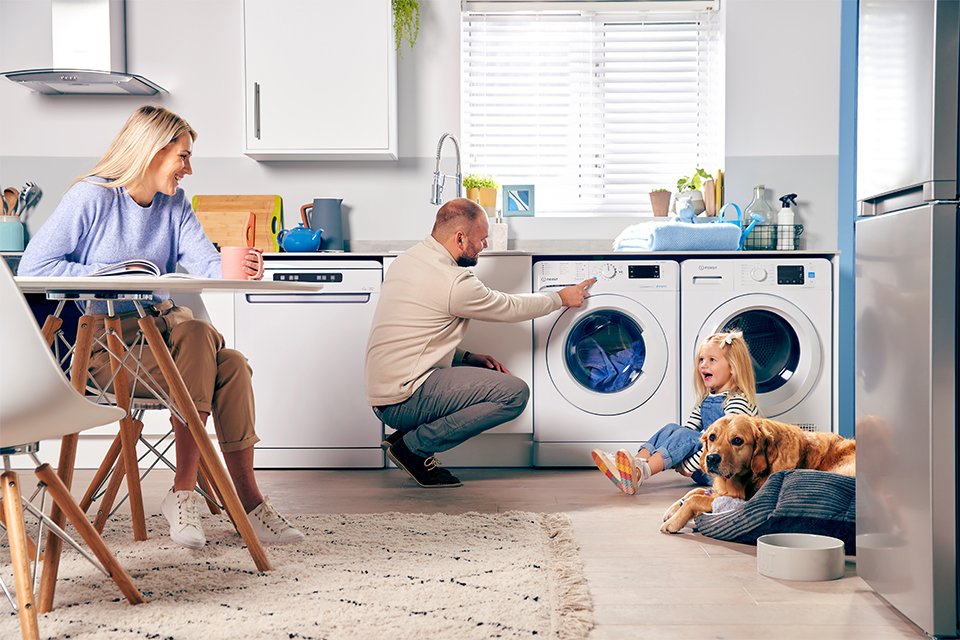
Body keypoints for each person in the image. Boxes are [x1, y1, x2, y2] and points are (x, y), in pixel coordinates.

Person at [19, 105, 304, 549]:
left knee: (229, 363)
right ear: (152, 151)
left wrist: (237, 266)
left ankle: (209, 495)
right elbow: (35, 266)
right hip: (106, 347)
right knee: (219, 358)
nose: (189, 169)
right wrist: (118, 272)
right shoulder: (91, 197)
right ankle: (214, 497)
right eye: (183, 156)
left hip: (168, 335)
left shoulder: (173, 204)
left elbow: (203, 260)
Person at [365, 198, 595, 488]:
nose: (485, 245)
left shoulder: (410, 259)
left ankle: (405, 440)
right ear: (460, 238)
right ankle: (414, 448)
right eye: (482, 238)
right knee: (514, 394)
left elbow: (415, 335)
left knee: (489, 381)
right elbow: (509, 307)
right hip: (403, 397)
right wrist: (560, 298)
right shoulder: (452, 281)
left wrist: (465, 357)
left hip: (387, 395)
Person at [592, 330, 759, 494]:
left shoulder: (737, 402)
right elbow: (688, 431)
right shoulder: (707, 399)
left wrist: (689, 465)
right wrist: (679, 455)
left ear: (732, 368)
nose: (703, 365)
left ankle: (642, 472)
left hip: (726, 470)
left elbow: (722, 446)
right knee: (673, 428)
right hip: (706, 463)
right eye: (701, 359)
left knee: (693, 437)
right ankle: (635, 464)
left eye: (712, 360)